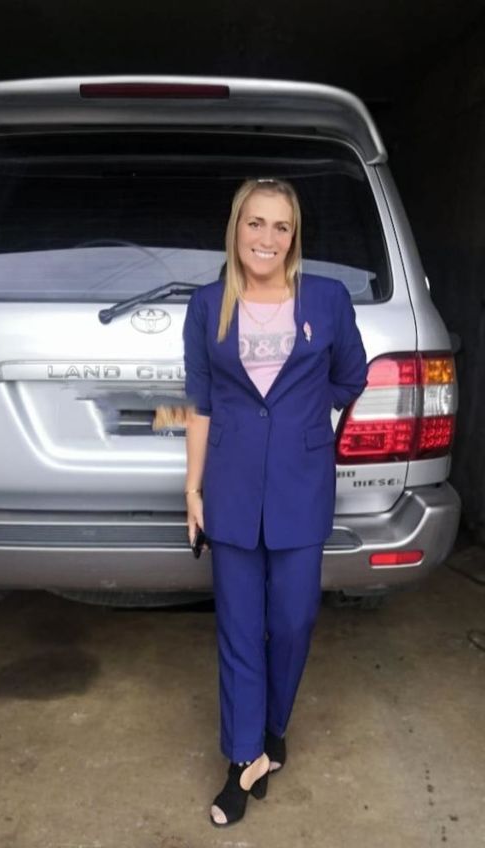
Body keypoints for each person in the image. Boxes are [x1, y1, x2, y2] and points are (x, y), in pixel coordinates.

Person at [183, 178, 368, 827]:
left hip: (301, 482)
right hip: (230, 486)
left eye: (280, 226)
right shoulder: (208, 305)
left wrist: (305, 420)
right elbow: (200, 403)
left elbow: (352, 376)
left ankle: (274, 726)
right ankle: (244, 757)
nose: (266, 238)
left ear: (294, 236)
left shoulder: (327, 298)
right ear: (236, 228)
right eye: (255, 223)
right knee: (238, 628)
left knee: (293, 621)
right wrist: (192, 489)